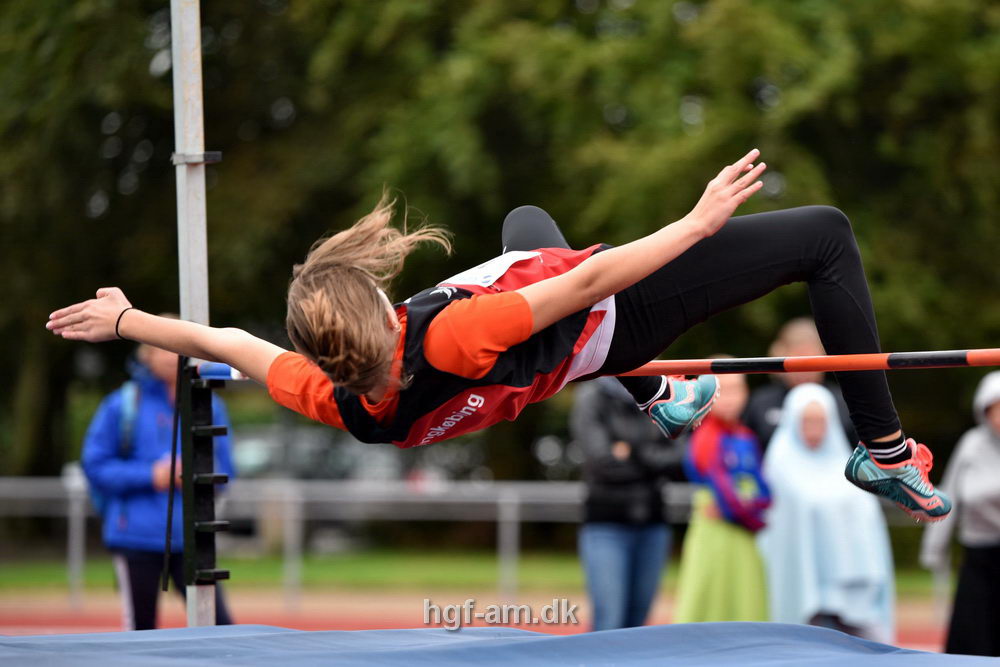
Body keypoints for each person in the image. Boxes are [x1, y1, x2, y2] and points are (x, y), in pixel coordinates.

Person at [47, 149, 950, 521]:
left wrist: (128, 319)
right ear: (378, 311)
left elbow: (229, 342)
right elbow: (590, 281)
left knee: (527, 224)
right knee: (825, 236)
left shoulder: (338, 397)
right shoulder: (456, 334)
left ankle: (659, 395)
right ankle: (883, 451)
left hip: (551, 356)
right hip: (611, 317)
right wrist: (696, 221)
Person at [81, 335, 236, 630]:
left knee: (220, 627)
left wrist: (197, 475)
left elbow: (227, 469)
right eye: (161, 349)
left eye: (178, 348)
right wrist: (151, 475)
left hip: (193, 536)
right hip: (135, 537)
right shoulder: (122, 404)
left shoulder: (210, 404)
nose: (170, 356)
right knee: (140, 631)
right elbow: (95, 466)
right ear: (146, 356)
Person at [757, 383, 895, 642]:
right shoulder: (780, 464)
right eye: (807, 421)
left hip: (850, 589)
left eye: (820, 421)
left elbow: (866, 516)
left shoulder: (846, 466)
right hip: (804, 587)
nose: (814, 429)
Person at [570, 376, 684, 631]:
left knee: (638, 625)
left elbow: (679, 458)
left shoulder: (661, 391)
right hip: (606, 522)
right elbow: (602, 462)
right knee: (609, 620)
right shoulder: (592, 396)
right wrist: (652, 458)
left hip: (653, 522)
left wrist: (631, 451)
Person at [674, 371, 771, 623]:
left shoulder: (746, 437)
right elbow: (725, 492)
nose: (730, 398)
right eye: (722, 390)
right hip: (716, 532)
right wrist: (753, 514)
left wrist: (751, 511)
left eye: (737, 389)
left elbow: (764, 491)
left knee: (745, 597)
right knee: (709, 597)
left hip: (744, 531)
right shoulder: (705, 436)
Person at [919, 371, 1000, 656]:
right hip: (978, 555)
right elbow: (949, 495)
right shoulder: (971, 445)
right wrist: (934, 548)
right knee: (973, 633)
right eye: (995, 408)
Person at [742, 317, 856, 447]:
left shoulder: (845, 403)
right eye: (797, 364)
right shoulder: (761, 402)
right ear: (781, 356)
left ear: (824, 358)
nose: (804, 371)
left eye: (811, 363)